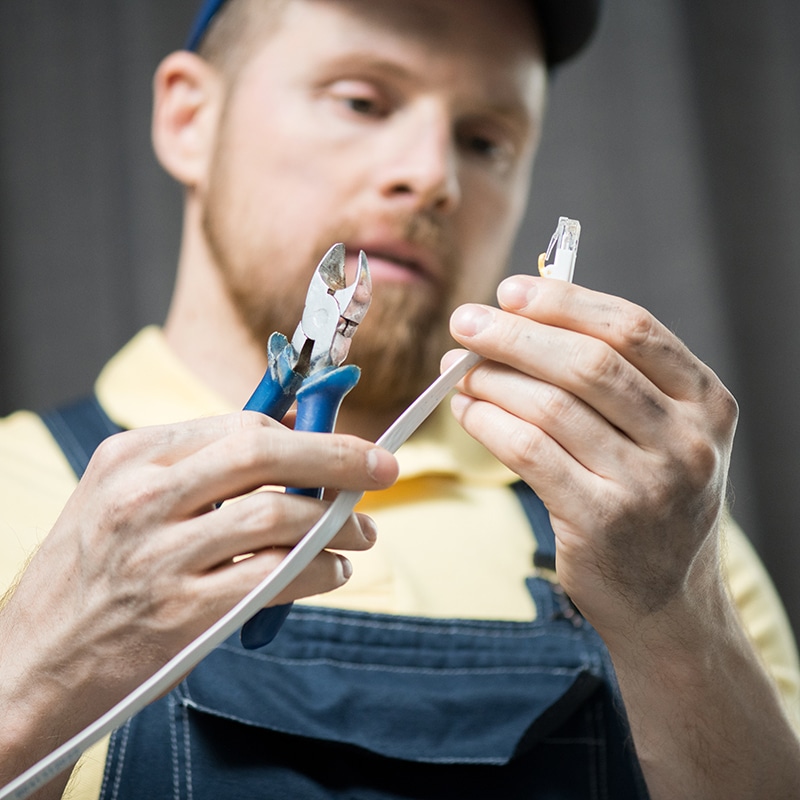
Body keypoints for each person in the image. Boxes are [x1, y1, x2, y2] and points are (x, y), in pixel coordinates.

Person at [1, 0, 799, 798]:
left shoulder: (657, 535)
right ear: (189, 118)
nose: (434, 178)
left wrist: (671, 620)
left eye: (485, 140)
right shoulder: (15, 485)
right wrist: (39, 676)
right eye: (361, 100)